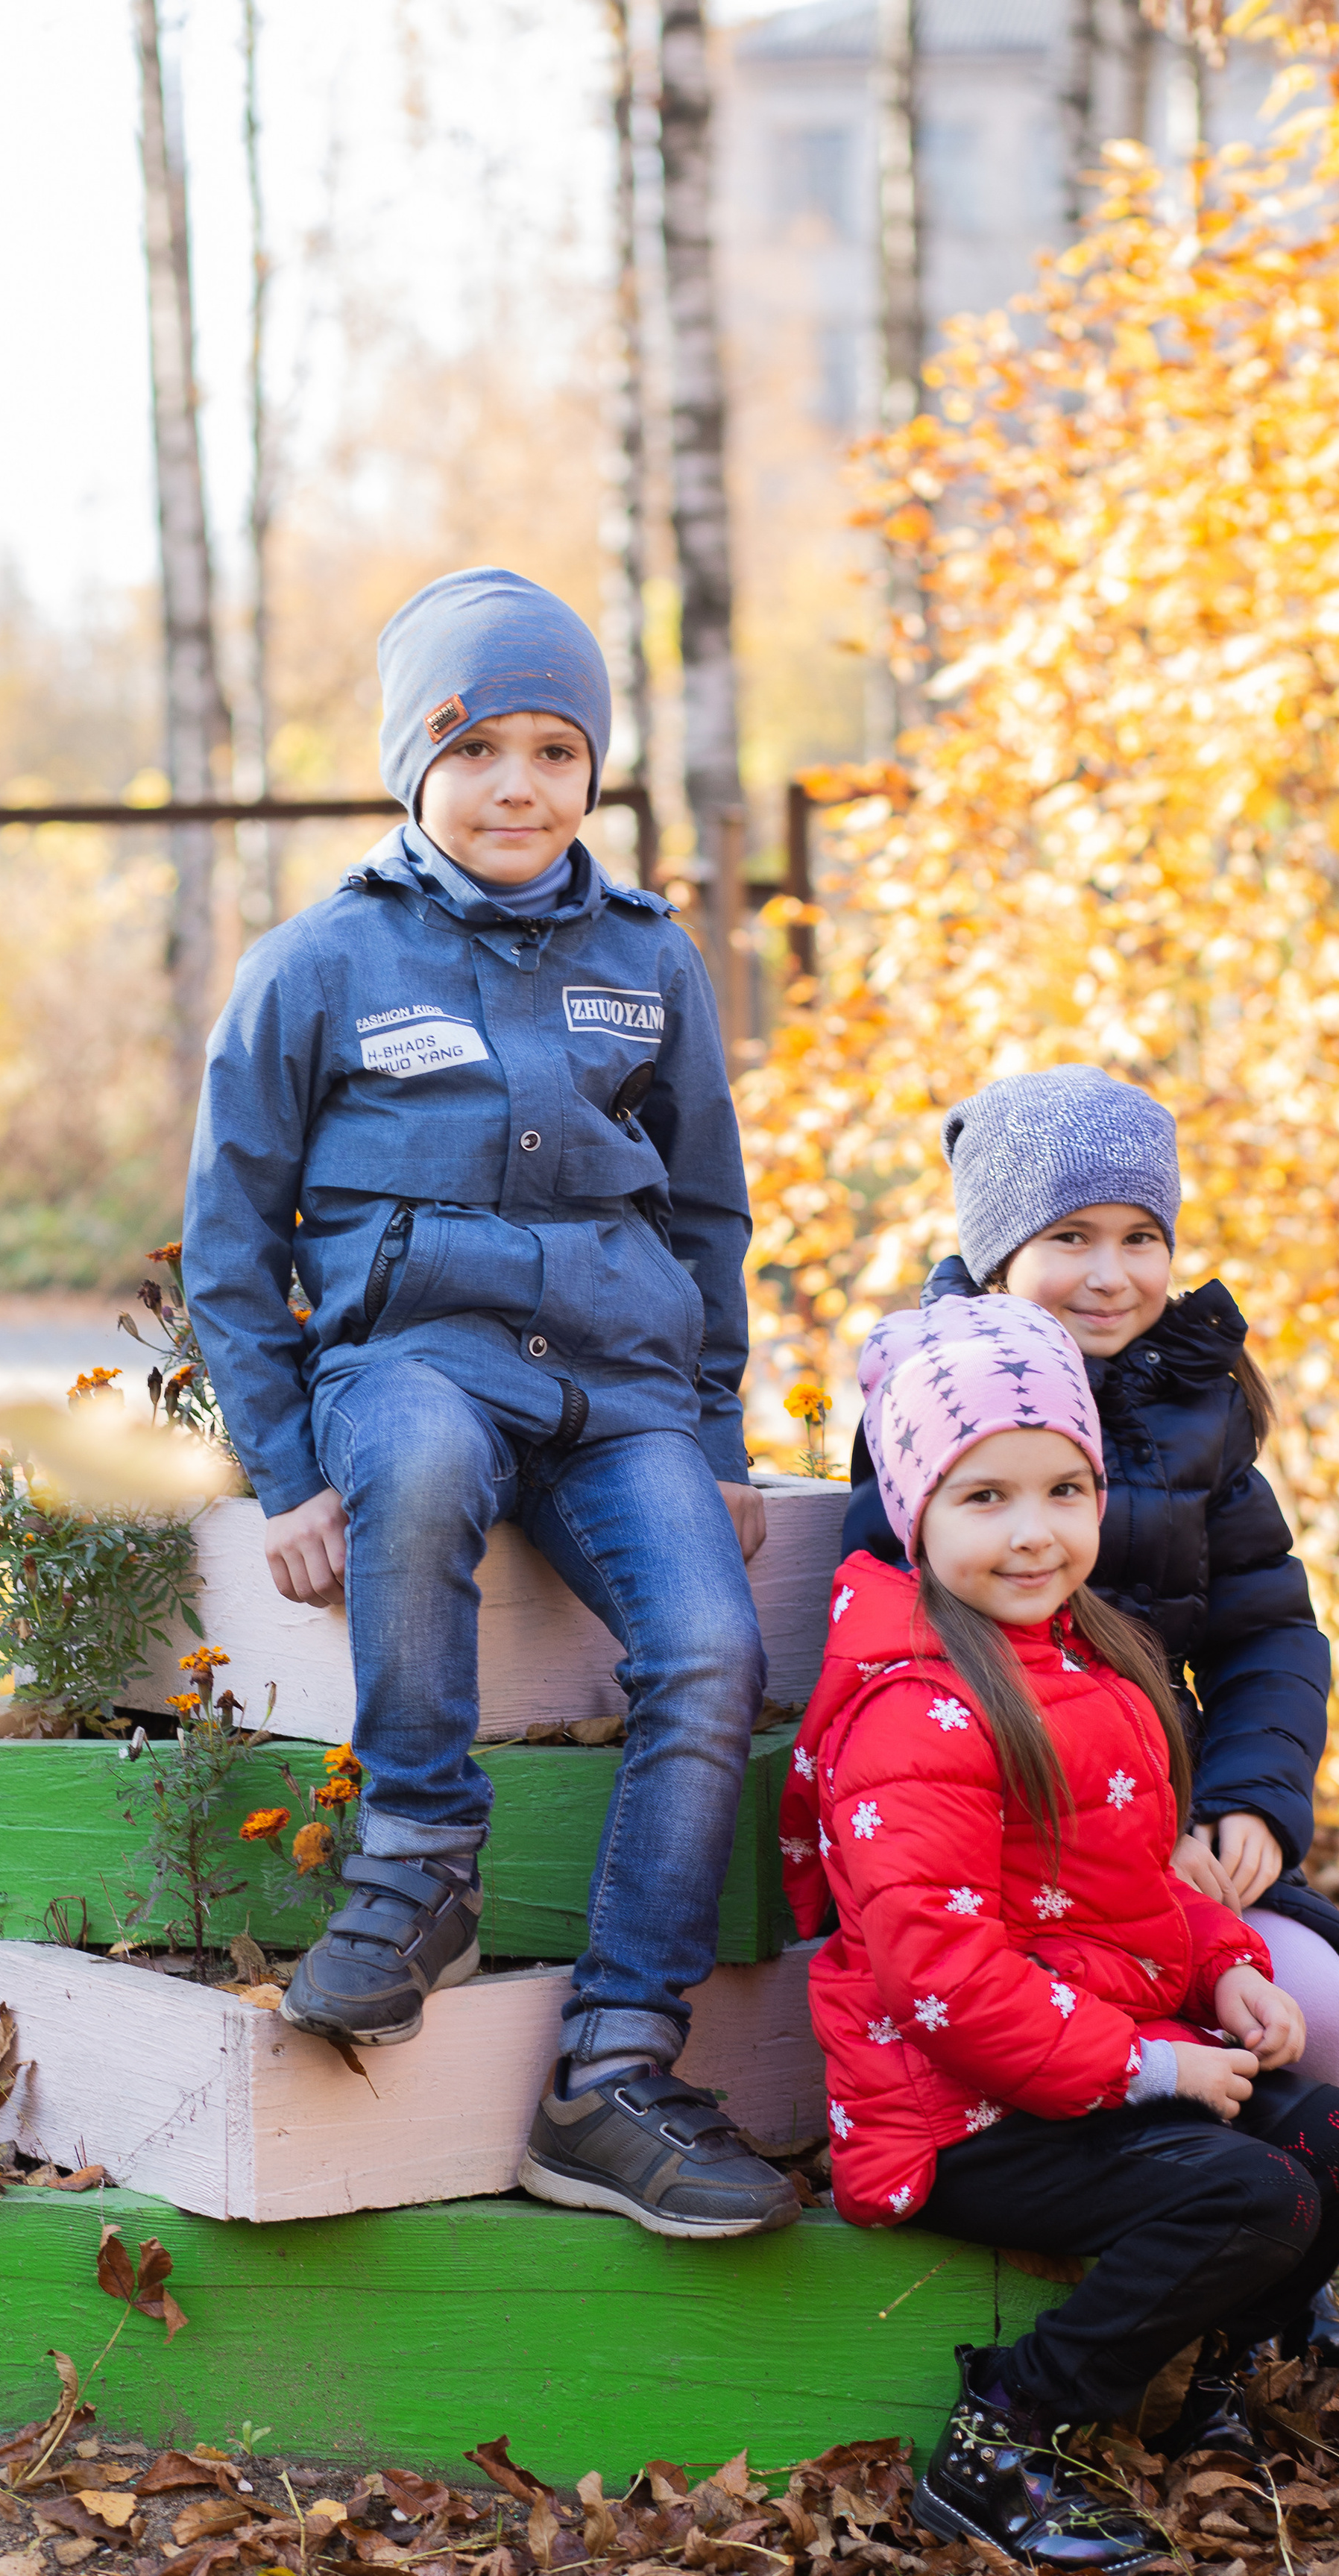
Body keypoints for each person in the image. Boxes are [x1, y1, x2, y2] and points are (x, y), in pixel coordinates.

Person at [182, 565, 798, 2240]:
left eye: (552, 751)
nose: (517, 786)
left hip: (615, 1387)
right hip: (412, 1362)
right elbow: (233, 1235)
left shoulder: (647, 961)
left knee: (708, 1652)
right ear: (414, 767)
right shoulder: (318, 963)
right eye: (476, 751)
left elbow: (704, 1209)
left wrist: (719, 1428)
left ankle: (612, 2066)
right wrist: (290, 1464)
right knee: (428, 1464)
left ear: (589, 772)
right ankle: (415, 1860)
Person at [783, 1294, 1339, 2573]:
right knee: (1247, 2192)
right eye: (985, 1498)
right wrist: (1155, 2068)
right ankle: (1005, 2429)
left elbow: (1129, 1885)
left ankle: (1197, 2389)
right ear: (915, 1513)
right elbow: (946, 1980)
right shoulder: (914, 1717)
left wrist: (1227, 1970)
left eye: (1065, 1491)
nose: (1034, 1533)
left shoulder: (1086, 1657)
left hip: (1078, 2068)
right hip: (958, 2113)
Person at [840, 1064, 1339, 2375]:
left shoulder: (1202, 1400)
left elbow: (1270, 1629)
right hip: (1022, 1850)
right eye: (1069, 1238)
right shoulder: (939, 1404)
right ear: (995, 1254)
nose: (1111, 1273)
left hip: (1176, 1826)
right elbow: (910, 1666)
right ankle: (1215, 2257)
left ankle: (1279, 2281)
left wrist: (1249, 1802)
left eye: (1141, 1237)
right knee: (1265, 2017)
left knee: (1312, 2006)